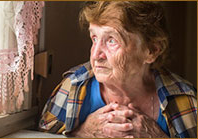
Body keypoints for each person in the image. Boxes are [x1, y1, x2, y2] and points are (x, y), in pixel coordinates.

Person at [39, 1, 197, 138]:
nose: (95, 55)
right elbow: (40, 135)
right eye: (94, 38)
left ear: (151, 51)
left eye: (112, 40)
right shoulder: (73, 86)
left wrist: (158, 137)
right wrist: (82, 132)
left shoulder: (184, 98)